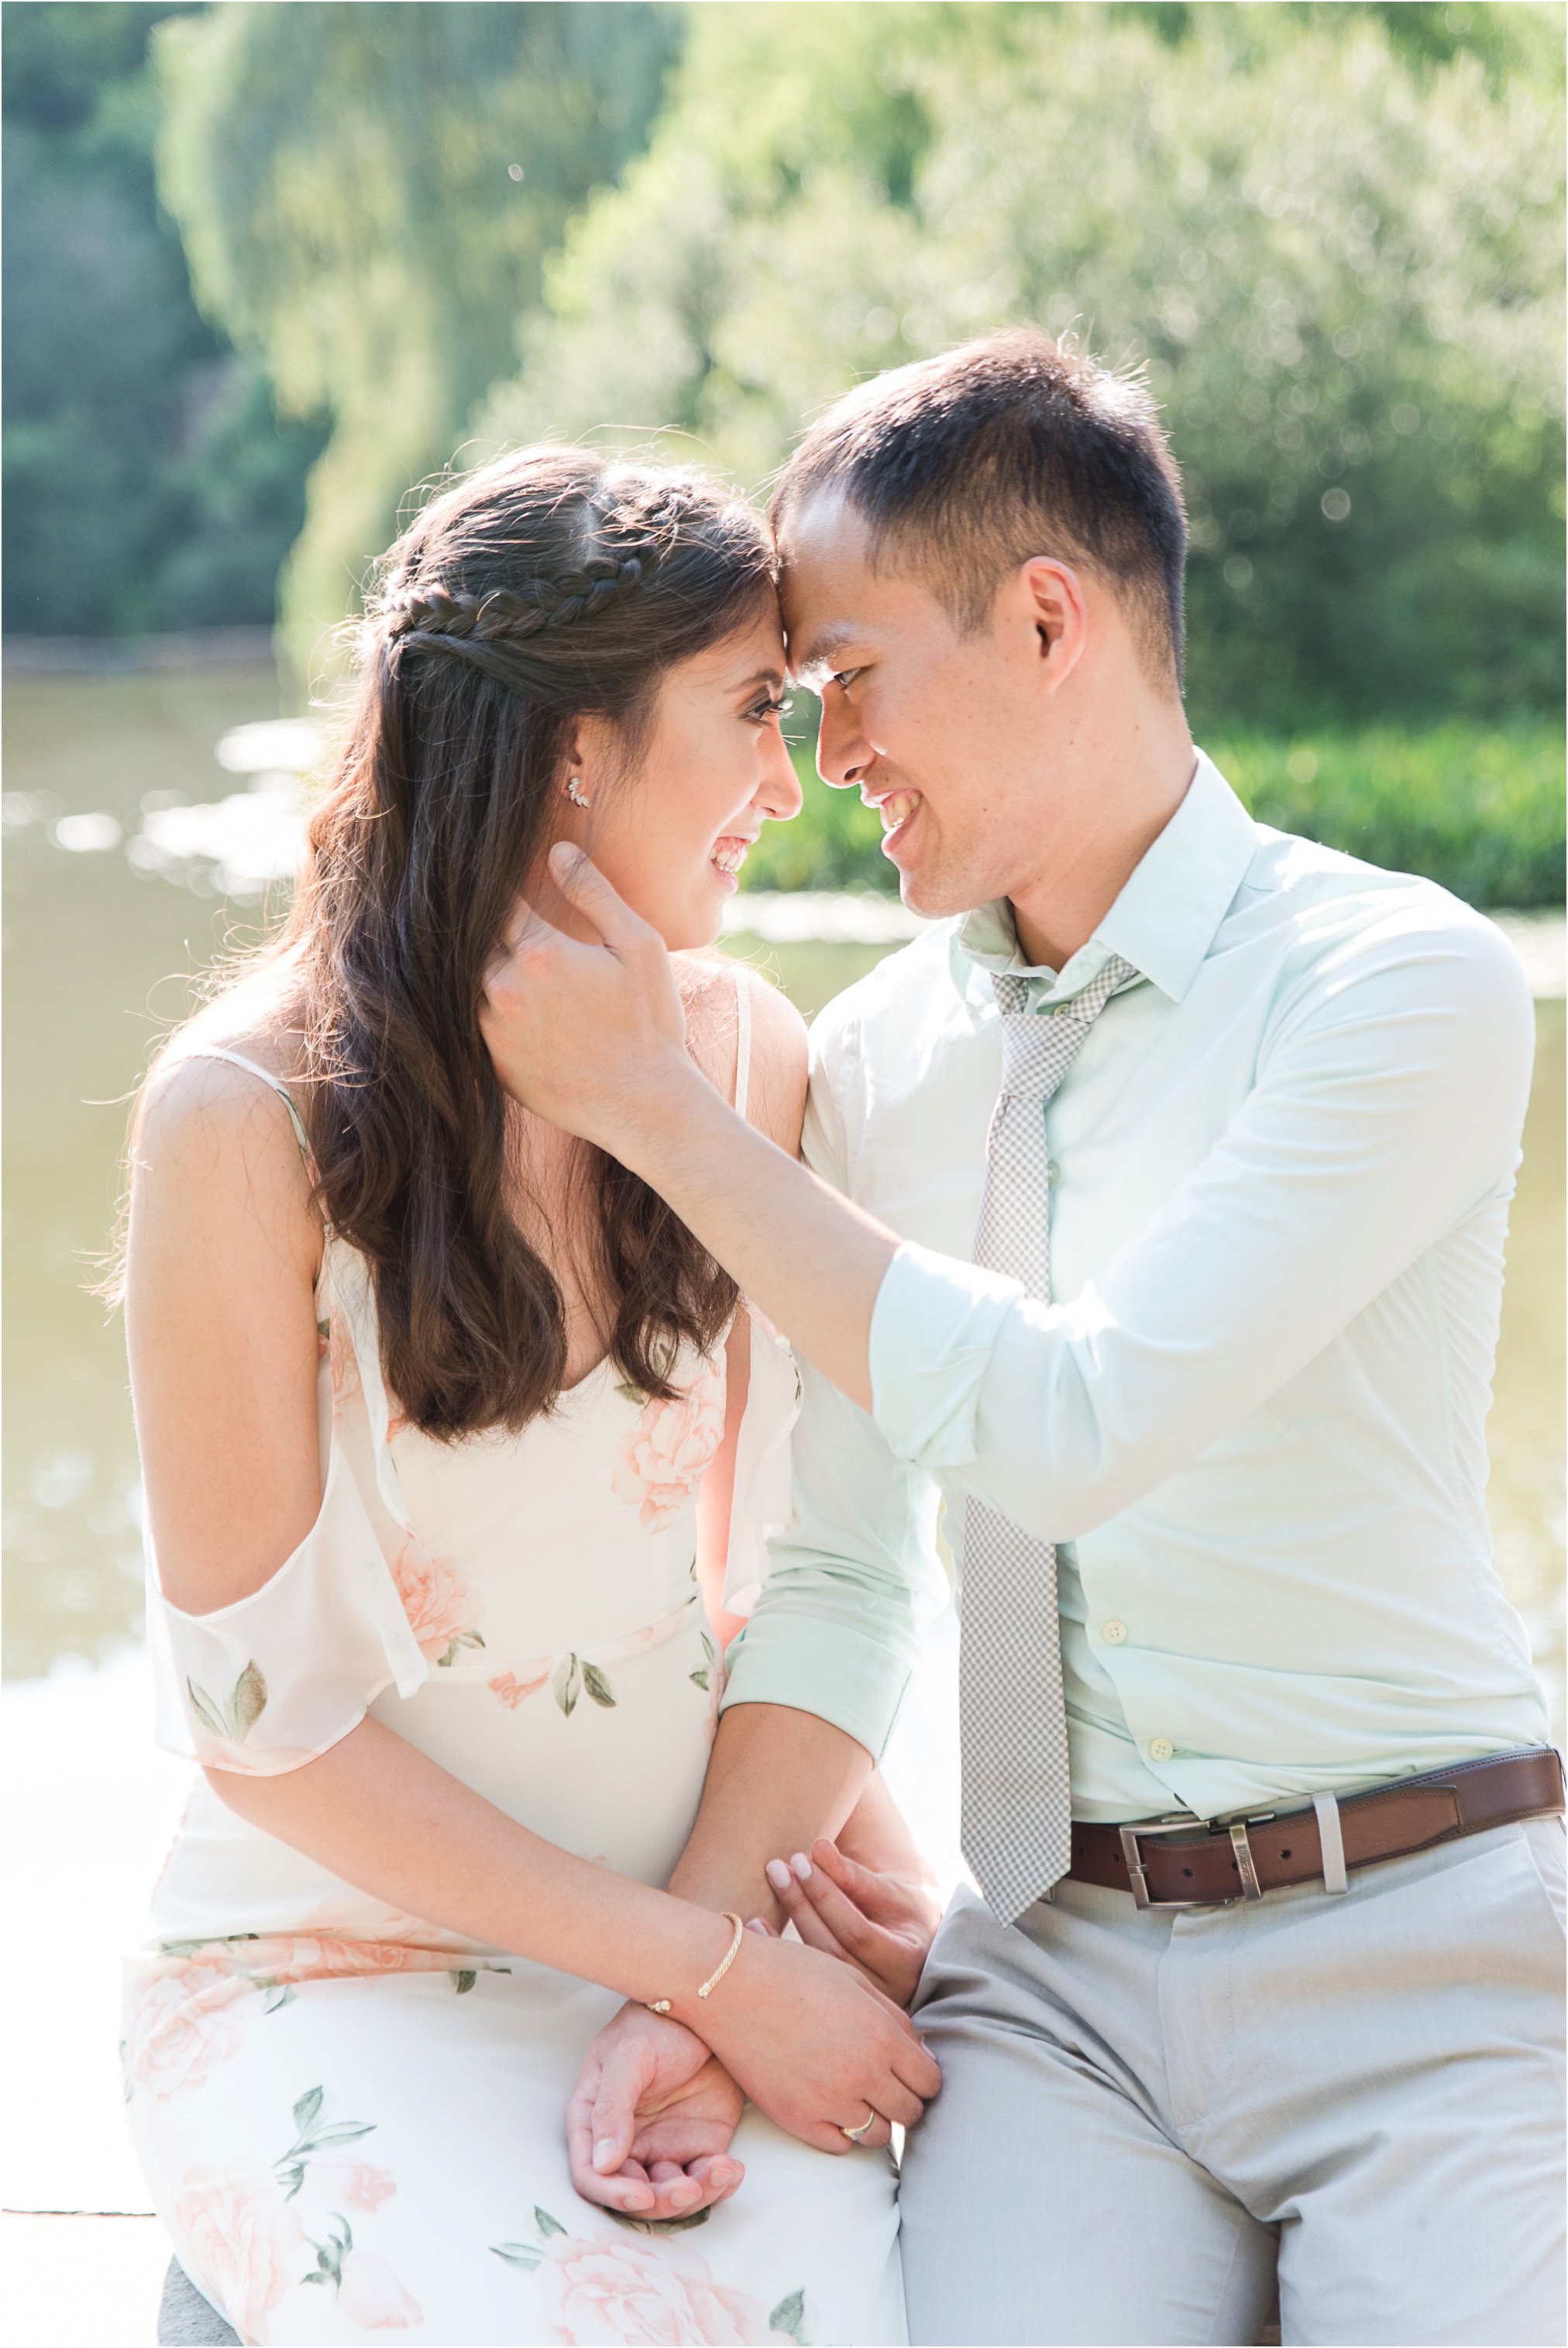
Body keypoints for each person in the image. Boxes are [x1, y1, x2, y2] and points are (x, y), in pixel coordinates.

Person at [483, 334, 1566, 2348]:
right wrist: (702, 1976)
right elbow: (835, 1571)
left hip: (1435, 1961)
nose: (822, 751)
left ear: (1048, 615)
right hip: (1054, 1993)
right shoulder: (878, 1057)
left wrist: (656, 1108)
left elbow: (1083, 1419)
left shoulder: (1398, 983)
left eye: (851, 676)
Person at [119, 446, 942, 2348]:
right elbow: (264, 1725)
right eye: (752, 710)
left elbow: (785, 1580)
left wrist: (744, 1960)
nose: (787, 776)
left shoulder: (743, 1056)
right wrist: (722, 1973)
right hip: (329, 1960)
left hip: (690, 1933)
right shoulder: (240, 1123)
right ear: (576, 748)